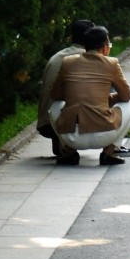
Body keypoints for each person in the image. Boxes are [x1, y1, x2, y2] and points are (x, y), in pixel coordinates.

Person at [49, 25, 130, 166]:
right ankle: (109, 152)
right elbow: (126, 96)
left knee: (54, 106)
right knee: (129, 107)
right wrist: (108, 99)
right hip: (104, 134)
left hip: (71, 136)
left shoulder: (68, 62)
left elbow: (55, 95)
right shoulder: (111, 63)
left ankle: (69, 153)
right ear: (105, 47)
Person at [37, 19, 93, 165]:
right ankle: (110, 148)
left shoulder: (56, 57)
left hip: (46, 123)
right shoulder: (88, 58)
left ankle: (62, 144)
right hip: (71, 120)